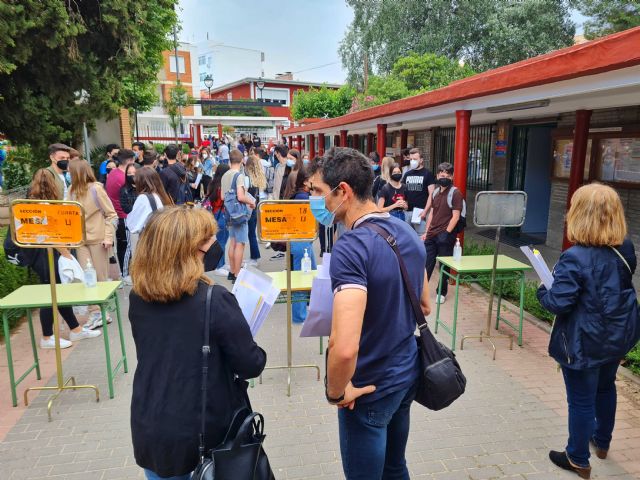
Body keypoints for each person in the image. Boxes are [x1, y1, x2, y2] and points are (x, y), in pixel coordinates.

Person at [308, 147, 430, 480]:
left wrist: (335, 392)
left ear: (343, 191)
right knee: (395, 468)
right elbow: (425, 305)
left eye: (318, 191)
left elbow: (344, 346)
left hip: (367, 388)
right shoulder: (406, 233)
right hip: (406, 375)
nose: (315, 200)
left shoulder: (351, 247)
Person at [129, 207, 267, 480]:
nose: (213, 246)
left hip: (151, 424)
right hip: (204, 435)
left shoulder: (138, 297)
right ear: (187, 252)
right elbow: (251, 363)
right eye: (207, 241)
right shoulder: (213, 300)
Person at [537, 183, 640, 479]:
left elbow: (559, 302)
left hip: (583, 339)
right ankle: (602, 441)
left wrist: (543, 291)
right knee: (606, 387)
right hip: (617, 334)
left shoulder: (575, 256)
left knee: (581, 400)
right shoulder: (626, 247)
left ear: (579, 214)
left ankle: (577, 457)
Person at [27, 169, 102, 348]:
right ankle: (47, 337)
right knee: (51, 294)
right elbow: (49, 235)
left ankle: (75, 329)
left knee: (58, 293)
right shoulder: (44, 205)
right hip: (47, 256)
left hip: (39, 256)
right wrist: (67, 255)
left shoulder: (28, 203)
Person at [68, 160, 118, 329]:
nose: (68, 173)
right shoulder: (71, 191)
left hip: (98, 240)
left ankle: (103, 312)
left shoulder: (96, 189)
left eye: (70, 171)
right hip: (80, 241)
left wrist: (108, 237)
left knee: (101, 278)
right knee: (87, 279)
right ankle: (94, 312)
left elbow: (111, 215)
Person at [421, 162, 462, 305]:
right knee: (427, 264)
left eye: (447, 175)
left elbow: (456, 216)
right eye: (441, 174)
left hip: (446, 235)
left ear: (452, 176)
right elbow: (432, 212)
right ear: (437, 175)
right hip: (432, 234)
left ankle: (441, 292)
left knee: (444, 266)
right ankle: (421, 291)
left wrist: (447, 232)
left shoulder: (455, 193)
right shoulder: (436, 192)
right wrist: (427, 231)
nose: (444, 177)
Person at [125, 167, 172, 268]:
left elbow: (133, 226)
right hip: (162, 242)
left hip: (149, 244)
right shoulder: (161, 196)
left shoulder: (144, 198)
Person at [221, 149, 256, 282]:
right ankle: (237, 274)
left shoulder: (225, 175)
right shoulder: (239, 176)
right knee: (240, 244)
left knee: (232, 242)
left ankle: (231, 271)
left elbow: (222, 196)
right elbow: (241, 197)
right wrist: (251, 202)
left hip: (229, 213)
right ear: (242, 161)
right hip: (239, 214)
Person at [289, 167, 317, 323]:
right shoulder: (303, 198)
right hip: (301, 240)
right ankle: (299, 315)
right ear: (306, 181)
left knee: (309, 275)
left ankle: (305, 310)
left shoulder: (299, 195)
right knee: (302, 277)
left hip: (301, 240)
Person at [106, 148, 135, 276]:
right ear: (130, 160)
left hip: (116, 215)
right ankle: (125, 274)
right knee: (126, 248)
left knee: (122, 247)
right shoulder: (124, 178)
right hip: (124, 216)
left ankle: (124, 273)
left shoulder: (113, 173)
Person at [402, 148, 435, 235]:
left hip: (420, 213)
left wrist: (425, 211)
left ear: (421, 160)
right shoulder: (407, 174)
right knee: (408, 237)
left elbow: (432, 195)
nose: (412, 161)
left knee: (421, 237)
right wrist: (403, 203)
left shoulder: (428, 174)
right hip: (407, 212)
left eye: (415, 159)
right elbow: (403, 192)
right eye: (411, 159)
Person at [206, 163, 230, 277]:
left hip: (214, 214)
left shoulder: (212, 183)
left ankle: (222, 264)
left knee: (220, 240)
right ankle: (220, 266)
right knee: (222, 241)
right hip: (222, 215)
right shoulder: (224, 185)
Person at [244, 153, 267, 267]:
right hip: (256, 207)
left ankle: (254, 257)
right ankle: (253, 257)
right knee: (252, 233)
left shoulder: (247, 179)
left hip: (249, 208)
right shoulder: (257, 178)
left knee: (251, 234)